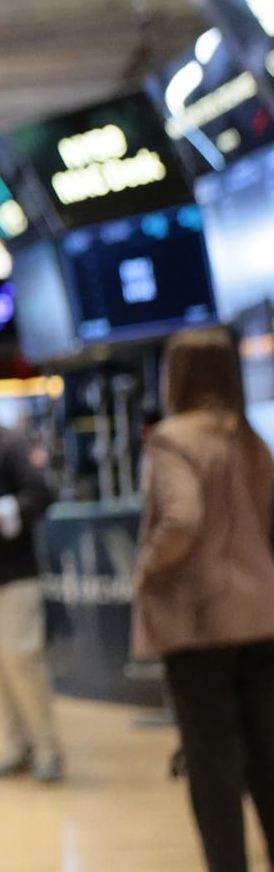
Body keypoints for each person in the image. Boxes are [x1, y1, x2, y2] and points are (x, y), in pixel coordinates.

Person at [133, 327, 274, 872]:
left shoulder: (173, 439)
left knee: (213, 765)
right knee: (267, 756)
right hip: (262, 617)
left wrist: (148, 565)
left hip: (200, 623)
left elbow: (182, 517)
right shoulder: (250, 439)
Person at [0, 384, 64, 783]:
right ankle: (16, 745)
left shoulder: (6, 443)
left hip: (15, 572)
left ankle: (47, 749)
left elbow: (40, 494)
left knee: (19, 659)